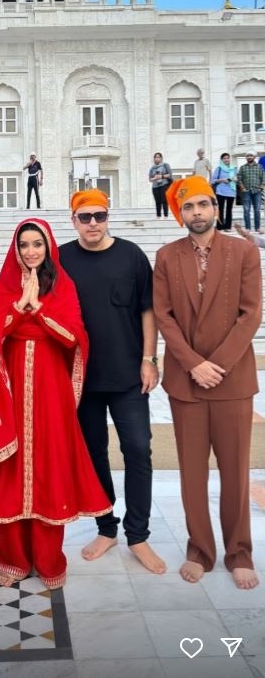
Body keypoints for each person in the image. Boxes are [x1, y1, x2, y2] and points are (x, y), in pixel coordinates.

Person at [0, 219, 111, 588]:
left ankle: (48, 559)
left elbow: (73, 336)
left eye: (37, 244)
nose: (30, 251)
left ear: (48, 247)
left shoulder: (64, 285)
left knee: (49, 467)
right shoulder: (5, 284)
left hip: (49, 387)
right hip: (8, 387)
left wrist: (37, 309)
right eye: (24, 245)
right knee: (10, 470)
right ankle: (13, 557)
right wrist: (17, 309)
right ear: (16, 249)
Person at [154, 176, 261, 589]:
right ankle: (199, 549)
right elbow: (164, 316)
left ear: (215, 207)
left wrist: (216, 364)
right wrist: (194, 364)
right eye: (188, 207)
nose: (196, 212)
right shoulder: (167, 256)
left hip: (232, 380)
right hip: (187, 383)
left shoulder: (244, 251)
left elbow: (251, 314)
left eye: (203, 204)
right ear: (179, 213)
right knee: (192, 472)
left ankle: (239, 552)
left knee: (235, 471)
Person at [59, 189, 166, 574]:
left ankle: (138, 535)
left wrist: (149, 359)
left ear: (108, 217)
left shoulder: (131, 255)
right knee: (94, 454)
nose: (92, 224)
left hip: (128, 376)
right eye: (85, 217)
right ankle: (107, 528)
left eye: (99, 216)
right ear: (73, 220)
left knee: (138, 449)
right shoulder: (62, 258)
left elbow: (148, 310)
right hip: (82, 379)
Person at [237, 150, 265, 232]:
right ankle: (247, 228)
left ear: (254, 157)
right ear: (246, 157)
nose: (249, 157)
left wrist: (261, 187)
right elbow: (239, 178)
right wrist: (242, 187)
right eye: (248, 156)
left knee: (257, 210)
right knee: (246, 210)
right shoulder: (242, 167)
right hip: (246, 192)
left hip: (257, 191)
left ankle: (257, 228)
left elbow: (263, 178)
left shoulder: (259, 167)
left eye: (251, 156)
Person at [211, 152, 237, 231]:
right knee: (221, 209)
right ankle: (220, 226)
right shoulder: (219, 168)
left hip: (231, 191)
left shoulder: (234, 168)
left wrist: (236, 179)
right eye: (224, 158)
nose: (226, 159)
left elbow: (237, 179)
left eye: (227, 158)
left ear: (230, 159)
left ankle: (227, 227)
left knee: (229, 210)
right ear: (222, 160)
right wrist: (223, 180)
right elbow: (213, 180)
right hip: (220, 191)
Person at [148, 152, 173, 218]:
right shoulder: (152, 168)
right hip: (155, 186)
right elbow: (150, 179)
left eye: (158, 157)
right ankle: (158, 216)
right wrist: (155, 178)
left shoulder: (165, 165)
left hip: (164, 185)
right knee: (157, 201)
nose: (157, 158)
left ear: (161, 158)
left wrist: (161, 176)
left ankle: (165, 216)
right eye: (155, 157)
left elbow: (170, 175)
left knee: (164, 200)